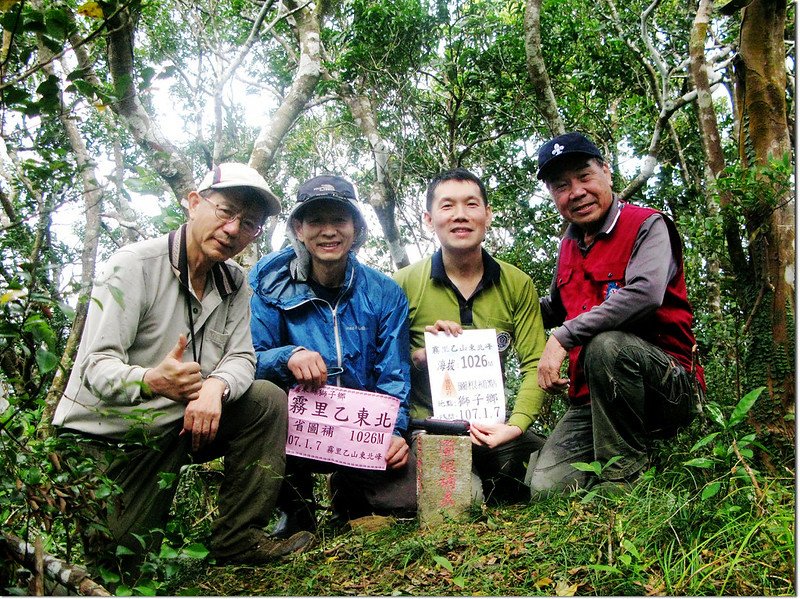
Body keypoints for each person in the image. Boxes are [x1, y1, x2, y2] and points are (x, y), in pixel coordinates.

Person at [52, 163, 314, 578]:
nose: (232, 229)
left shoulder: (233, 282)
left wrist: (216, 388)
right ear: (194, 203)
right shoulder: (135, 266)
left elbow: (242, 356)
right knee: (124, 569)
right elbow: (94, 368)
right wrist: (149, 379)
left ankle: (238, 538)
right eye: (225, 212)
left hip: (180, 424)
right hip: (111, 439)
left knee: (265, 400)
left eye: (248, 224)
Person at [529, 131, 706, 494]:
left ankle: (623, 481)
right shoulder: (569, 245)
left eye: (584, 176)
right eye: (561, 186)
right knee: (547, 489)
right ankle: (630, 456)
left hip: (666, 383)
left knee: (606, 345)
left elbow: (645, 294)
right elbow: (555, 308)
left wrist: (563, 336)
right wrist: (501, 307)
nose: (575, 191)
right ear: (553, 196)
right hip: (595, 395)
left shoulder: (647, 224)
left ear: (607, 172)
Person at [249, 174, 412, 537]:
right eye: (316, 221)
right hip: (294, 432)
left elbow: (393, 374)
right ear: (298, 229)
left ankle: (350, 490)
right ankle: (295, 507)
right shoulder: (267, 284)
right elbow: (248, 360)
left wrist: (395, 431)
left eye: (339, 220)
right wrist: (287, 356)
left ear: (355, 227)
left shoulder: (384, 293)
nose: (328, 231)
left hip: (360, 433)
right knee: (262, 398)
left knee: (406, 501)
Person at [393, 168, 547, 504]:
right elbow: (382, 366)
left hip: (493, 428)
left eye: (471, 205)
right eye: (447, 206)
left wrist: (516, 425)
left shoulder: (516, 283)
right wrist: (419, 357)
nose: (461, 215)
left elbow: (536, 362)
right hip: (428, 428)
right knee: (467, 499)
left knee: (549, 480)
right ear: (429, 219)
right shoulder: (402, 284)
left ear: (488, 215)